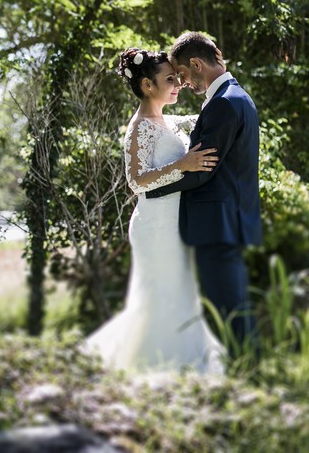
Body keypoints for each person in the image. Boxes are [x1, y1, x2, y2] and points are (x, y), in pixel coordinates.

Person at [84, 46, 226, 375]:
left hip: (176, 225)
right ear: (147, 85)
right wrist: (183, 164)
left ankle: (187, 361)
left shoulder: (166, 119)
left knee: (181, 292)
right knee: (161, 295)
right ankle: (157, 365)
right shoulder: (139, 128)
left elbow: (204, 117)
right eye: (170, 79)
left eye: (178, 78)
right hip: (155, 228)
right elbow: (136, 182)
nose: (178, 83)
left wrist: (217, 89)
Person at [146, 32, 261, 354]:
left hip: (219, 222)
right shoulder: (233, 96)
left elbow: (201, 169)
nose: (182, 83)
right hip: (227, 218)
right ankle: (246, 364)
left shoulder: (224, 102)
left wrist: (150, 191)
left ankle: (243, 368)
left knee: (226, 303)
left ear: (196, 64)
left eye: (182, 74)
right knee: (231, 299)